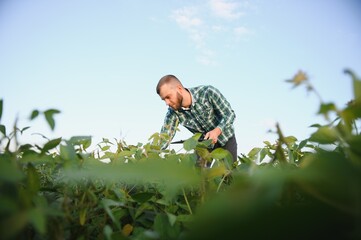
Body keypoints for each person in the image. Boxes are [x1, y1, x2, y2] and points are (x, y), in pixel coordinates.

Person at [156, 74, 238, 162]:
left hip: (225, 138)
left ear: (179, 89)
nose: (167, 103)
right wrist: (151, 153)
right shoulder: (173, 112)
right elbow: (165, 136)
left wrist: (216, 131)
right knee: (197, 173)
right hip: (204, 143)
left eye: (168, 97)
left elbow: (229, 114)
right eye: (164, 99)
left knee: (229, 172)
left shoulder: (208, 92)